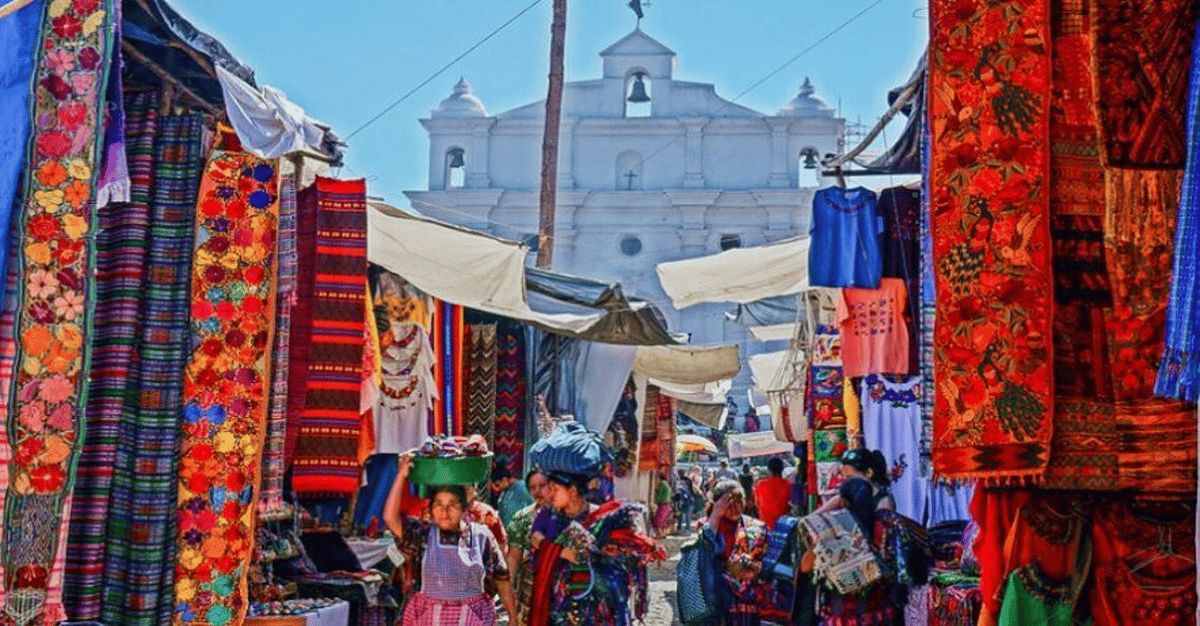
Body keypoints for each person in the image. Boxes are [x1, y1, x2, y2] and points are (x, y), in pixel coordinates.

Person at [384, 454, 517, 625]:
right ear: (431, 510)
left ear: (464, 509)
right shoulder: (422, 534)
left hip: (472, 618)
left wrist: (513, 619)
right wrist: (401, 476)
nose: (445, 512)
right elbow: (390, 518)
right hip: (429, 617)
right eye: (438, 505)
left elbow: (502, 578)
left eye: (452, 505)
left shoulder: (482, 536)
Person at [528, 470, 667, 626]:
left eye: (555, 489)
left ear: (572, 491)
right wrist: (559, 551)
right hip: (559, 603)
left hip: (596, 607)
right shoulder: (548, 516)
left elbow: (623, 559)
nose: (549, 493)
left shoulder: (602, 518)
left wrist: (605, 553)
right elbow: (535, 540)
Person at [803, 448, 899, 625]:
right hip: (862, 603)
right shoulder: (855, 503)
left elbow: (882, 556)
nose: (844, 483)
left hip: (855, 604)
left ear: (868, 473)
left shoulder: (881, 505)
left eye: (849, 478)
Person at [702, 480, 770, 625]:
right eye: (729, 503)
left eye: (740, 502)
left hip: (747, 601)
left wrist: (754, 570)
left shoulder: (757, 528)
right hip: (715, 598)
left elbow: (768, 562)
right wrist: (715, 515)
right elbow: (702, 558)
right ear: (717, 504)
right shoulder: (707, 528)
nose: (736, 508)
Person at [506, 469, 550, 626]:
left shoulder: (564, 515)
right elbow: (513, 557)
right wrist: (509, 591)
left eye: (542, 485)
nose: (537, 491)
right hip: (530, 588)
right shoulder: (523, 518)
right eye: (532, 487)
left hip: (557, 588)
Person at [753, 457, 793, 530]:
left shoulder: (760, 485)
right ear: (782, 469)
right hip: (784, 528)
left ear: (769, 470)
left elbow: (757, 504)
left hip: (766, 528)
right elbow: (792, 506)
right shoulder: (789, 485)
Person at [673, 468, 695, 534]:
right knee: (684, 515)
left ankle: (684, 529)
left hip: (687, 501)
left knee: (685, 515)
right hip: (686, 500)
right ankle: (683, 528)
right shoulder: (685, 480)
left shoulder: (680, 481)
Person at [653, 468, 673, 539]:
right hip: (667, 505)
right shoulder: (667, 484)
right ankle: (664, 534)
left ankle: (660, 535)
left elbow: (659, 494)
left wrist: (654, 501)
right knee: (664, 521)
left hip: (662, 505)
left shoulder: (662, 484)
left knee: (658, 520)